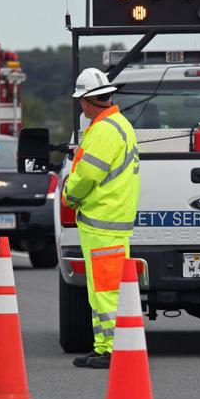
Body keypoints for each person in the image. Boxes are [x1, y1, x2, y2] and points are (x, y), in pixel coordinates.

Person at [62, 68, 141, 369]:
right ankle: (105, 346)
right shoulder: (119, 125)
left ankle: (111, 350)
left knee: (106, 290)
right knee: (106, 288)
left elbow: (86, 177)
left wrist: (70, 193)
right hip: (112, 221)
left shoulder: (105, 130)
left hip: (101, 222)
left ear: (85, 101)